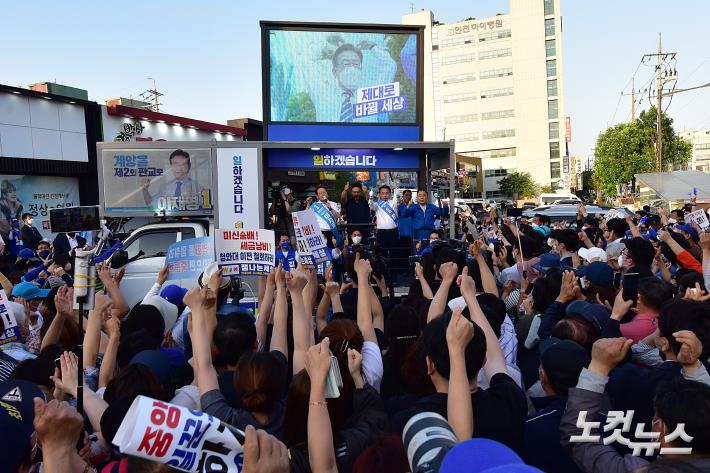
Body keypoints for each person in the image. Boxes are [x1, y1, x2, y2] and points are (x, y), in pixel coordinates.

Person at [370, 185, 399, 253]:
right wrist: (371, 197)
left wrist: (397, 195)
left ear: (390, 194)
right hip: (381, 232)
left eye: (387, 193)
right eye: (382, 193)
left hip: (393, 232)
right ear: (379, 194)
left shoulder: (393, 203)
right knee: (381, 253)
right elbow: (371, 205)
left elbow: (398, 202)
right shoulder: (377, 204)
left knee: (394, 252)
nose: (385, 195)